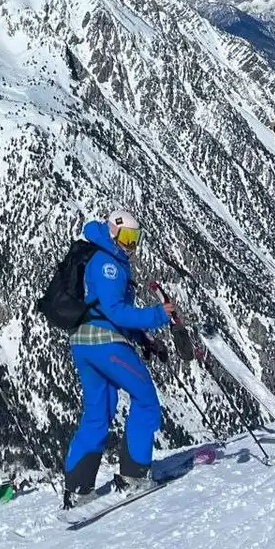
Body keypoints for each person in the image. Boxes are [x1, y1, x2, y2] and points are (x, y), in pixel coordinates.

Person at [62, 208, 175, 507]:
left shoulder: (103, 258)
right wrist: (157, 315)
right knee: (145, 399)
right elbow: (115, 311)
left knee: (98, 412)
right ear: (113, 232)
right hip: (105, 344)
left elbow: (110, 312)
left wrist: (144, 340)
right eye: (126, 236)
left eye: (135, 238)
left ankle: (78, 487)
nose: (131, 244)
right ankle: (135, 473)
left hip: (84, 343)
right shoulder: (107, 264)